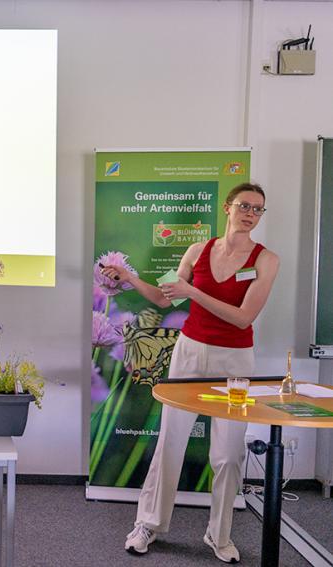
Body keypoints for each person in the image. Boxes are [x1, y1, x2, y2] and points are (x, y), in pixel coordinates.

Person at [100, 182, 279, 564]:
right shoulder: (198, 250)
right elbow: (165, 297)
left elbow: (243, 316)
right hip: (189, 352)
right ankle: (147, 524)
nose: (251, 214)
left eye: (259, 209)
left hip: (235, 361)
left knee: (229, 455)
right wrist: (129, 277)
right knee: (170, 441)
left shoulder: (266, 260)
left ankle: (220, 535)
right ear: (228, 208)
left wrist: (193, 292)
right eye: (245, 205)